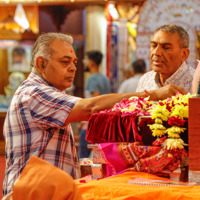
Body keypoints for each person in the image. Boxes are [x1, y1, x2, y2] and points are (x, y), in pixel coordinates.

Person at [3, 32, 187, 196]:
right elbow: (89, 108)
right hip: (31, 193)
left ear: (185, 54)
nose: (73, 68)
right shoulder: (33, 94)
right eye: (65, 62)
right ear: (41, 63)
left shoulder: (51, 93)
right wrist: (152, 95)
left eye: (74, 62)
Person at [136, 24, 195, 93]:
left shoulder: (195, 83)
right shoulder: (146, 79)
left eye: (166, 47)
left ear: (184, 54)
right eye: (154, 46)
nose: (156, 52)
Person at [79, 50, 111, 158]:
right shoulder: (105, 79)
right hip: (103, 123)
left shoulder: (92, 79)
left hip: (91, 124)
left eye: (86, 60)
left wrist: (84, 121)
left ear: (91, 62)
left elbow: (95, 102)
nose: (84, 62)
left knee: (83, 158)